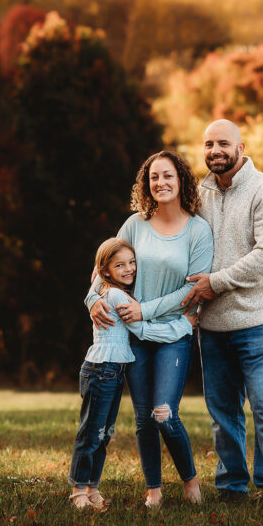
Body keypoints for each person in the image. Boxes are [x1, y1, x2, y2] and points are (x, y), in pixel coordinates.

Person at [87, 150, 214, 507]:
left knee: (164, 413)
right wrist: (92, 301)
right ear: (146, 184)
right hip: (134, 337)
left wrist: (145, 310)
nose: (160, 183)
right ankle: (154, 490)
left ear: (181, 180)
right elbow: (103, 269)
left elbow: (192, 290)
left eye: (168, 175)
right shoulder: (134, 225)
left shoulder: (198, 231)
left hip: (174, 332)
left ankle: (190, 481)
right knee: (144, 418)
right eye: (154, 177)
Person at [180, 119, 263, 510]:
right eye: (208, 143)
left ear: (241, 147)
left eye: (223, 143)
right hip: (212, 323)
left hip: (261, 317)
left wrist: (216, 282)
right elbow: (180, 245)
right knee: (222, 411)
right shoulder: (198, 196)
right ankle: (232, 488)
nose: (215, 150)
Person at [69, 237, 198, 509]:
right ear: (105, 271)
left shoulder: (115, 291)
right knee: (92, 432)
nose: (129, 269)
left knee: (104, 432)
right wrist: (184, 326)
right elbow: (143, 330)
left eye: (132, 262)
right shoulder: (117, 296)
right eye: (120, 265)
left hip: (113, 371)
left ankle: (92, 489)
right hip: (101, 370)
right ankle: (79, 491)